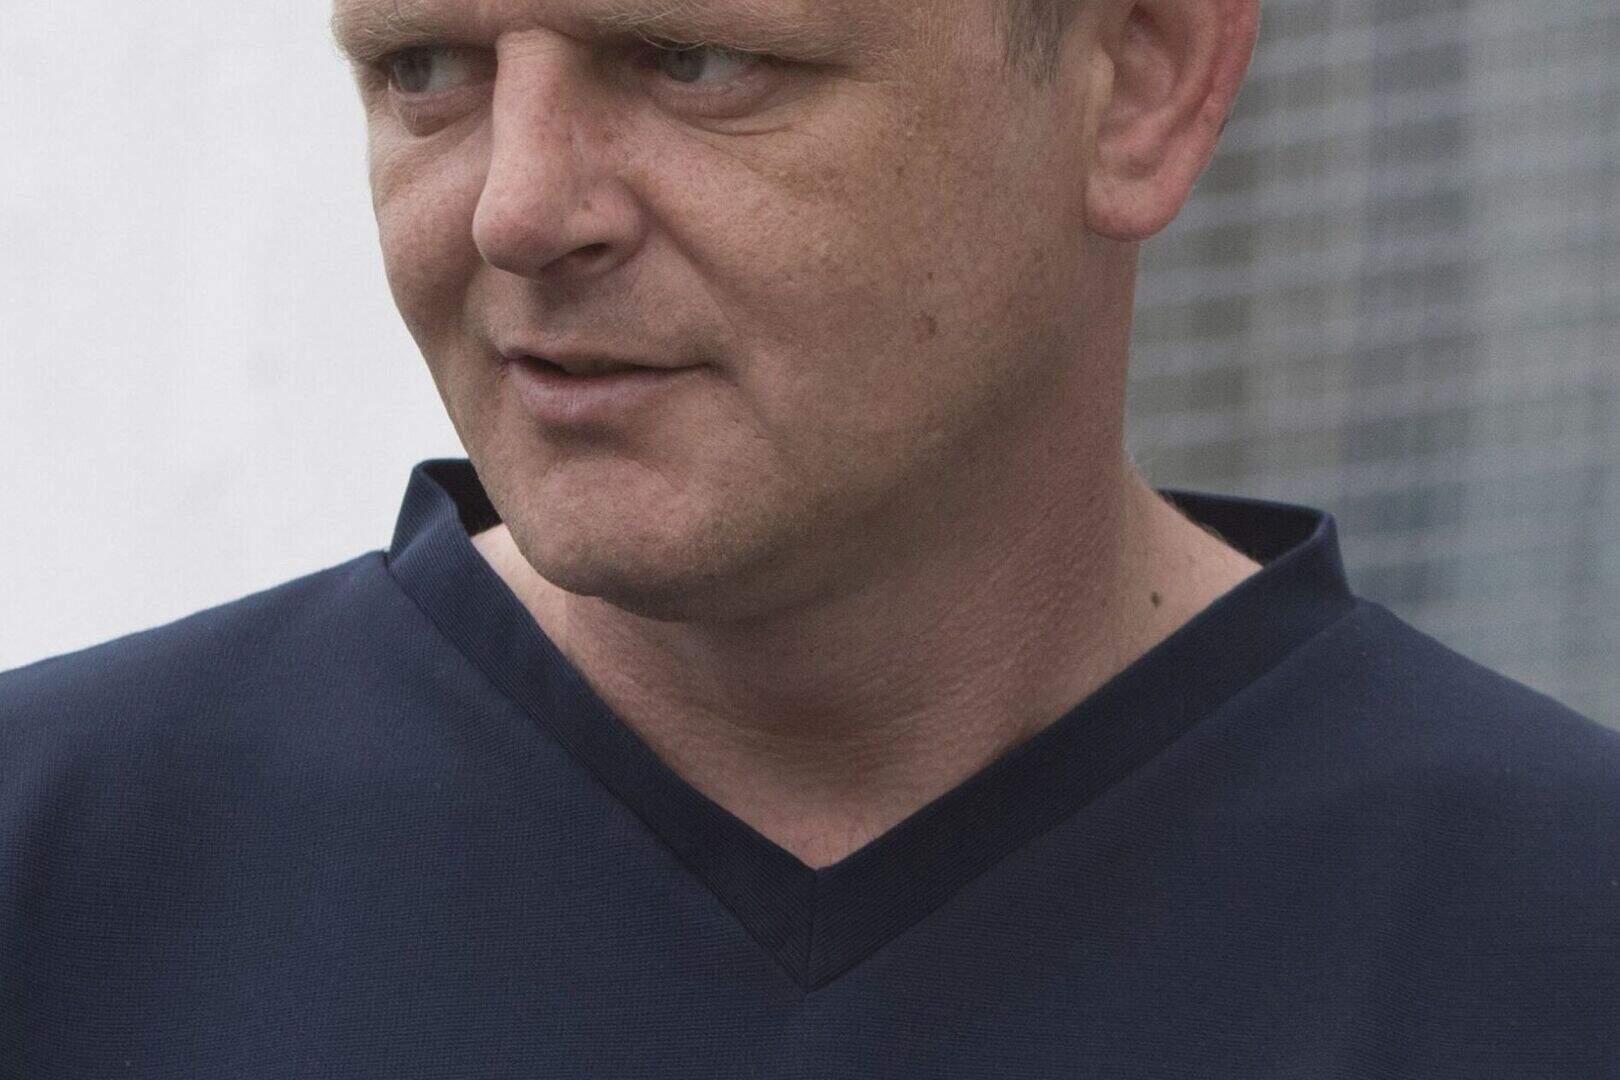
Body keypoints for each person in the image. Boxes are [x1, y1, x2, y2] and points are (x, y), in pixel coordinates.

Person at [2, 0, 1616, 1073]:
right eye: (425, 65)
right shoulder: (58, 878)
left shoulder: (1551, 938)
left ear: (1138, 80)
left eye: (693, 59)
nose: (519, 207)